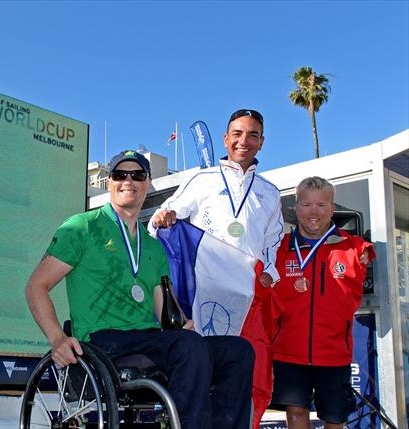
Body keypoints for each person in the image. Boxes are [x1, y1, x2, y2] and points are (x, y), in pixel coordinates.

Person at [26, 149, 254, 429]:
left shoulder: (153, 246)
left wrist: (181, 324)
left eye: (138, 175)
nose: (128, 181)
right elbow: (36, 287)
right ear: (109, 181)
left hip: (148, 338)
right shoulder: (81, 227)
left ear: (147, 183)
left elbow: (163, 308)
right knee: (188, 346)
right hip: (103, 340)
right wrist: (58, 339)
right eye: (120, 174)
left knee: (238, 350)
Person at [147, 108, 284, 427]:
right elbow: (160, 223)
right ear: (226, 139)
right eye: (237, 134)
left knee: (247, 376)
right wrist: (163, 220)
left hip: (246, 298)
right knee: (201, 375)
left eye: (252, 135)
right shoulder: (201, 179)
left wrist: (271, 272)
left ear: (262, 142)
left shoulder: (270, 193)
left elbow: (273, 241)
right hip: (203, 296)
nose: (244, 141)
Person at [270, 177, 374, 429]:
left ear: (332, 209)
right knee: (295, 413)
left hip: (334, 353)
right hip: (289, 350)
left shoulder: (354, 247)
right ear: (296, 208)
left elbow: (368, 254)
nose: (313, 212)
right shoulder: (279, 248)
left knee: (334, 419)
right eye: (306, 204)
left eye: (321, 204)